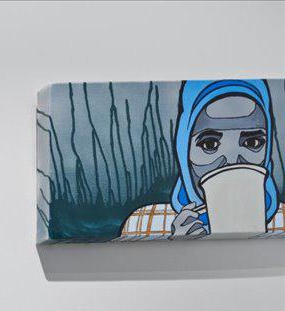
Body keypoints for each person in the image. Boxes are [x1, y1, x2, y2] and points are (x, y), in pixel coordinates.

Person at [119, 79, 284, 239]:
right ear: (184, 151)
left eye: (252, 143)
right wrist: (178, 249)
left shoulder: (281, 220)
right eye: (210, 144)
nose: (232, 161)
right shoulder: (143, 223)